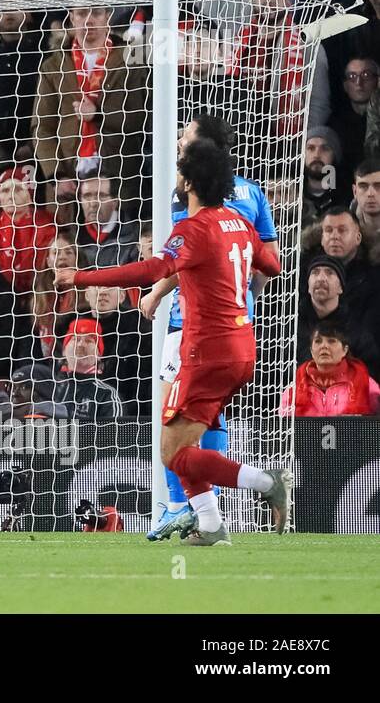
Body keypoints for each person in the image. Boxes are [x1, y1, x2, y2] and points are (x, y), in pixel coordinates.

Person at [56, 138, 289, 545]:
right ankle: (211, 526)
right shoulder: (240, 224)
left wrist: (80, 277)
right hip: (241, 343)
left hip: (207, 350)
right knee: (177, 437)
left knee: (172, 453)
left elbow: (150, 269)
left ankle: (263, 481)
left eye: (181, 171)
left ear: (192, 181)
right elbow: (271, 264)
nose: (176, 177)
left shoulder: (193, 229)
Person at [138, 115, 280, 539]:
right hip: (238, 324)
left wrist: (157, 293)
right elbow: (269, 261)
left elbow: (189, 255)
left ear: (203, 146)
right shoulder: (253, 193)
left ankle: (182, 507)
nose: (179, 141)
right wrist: (241, 292)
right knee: (211, 417)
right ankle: (210, 517)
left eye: (186, 136)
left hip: (191, 324)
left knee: (173, 423)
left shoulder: (188, 190)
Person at [281, 321, 380, 417]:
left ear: (344, 350)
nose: (324, 346)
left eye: (331, 341)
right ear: (311, 351)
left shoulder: (367, 386)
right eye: (318, 341)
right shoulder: (293, 391)